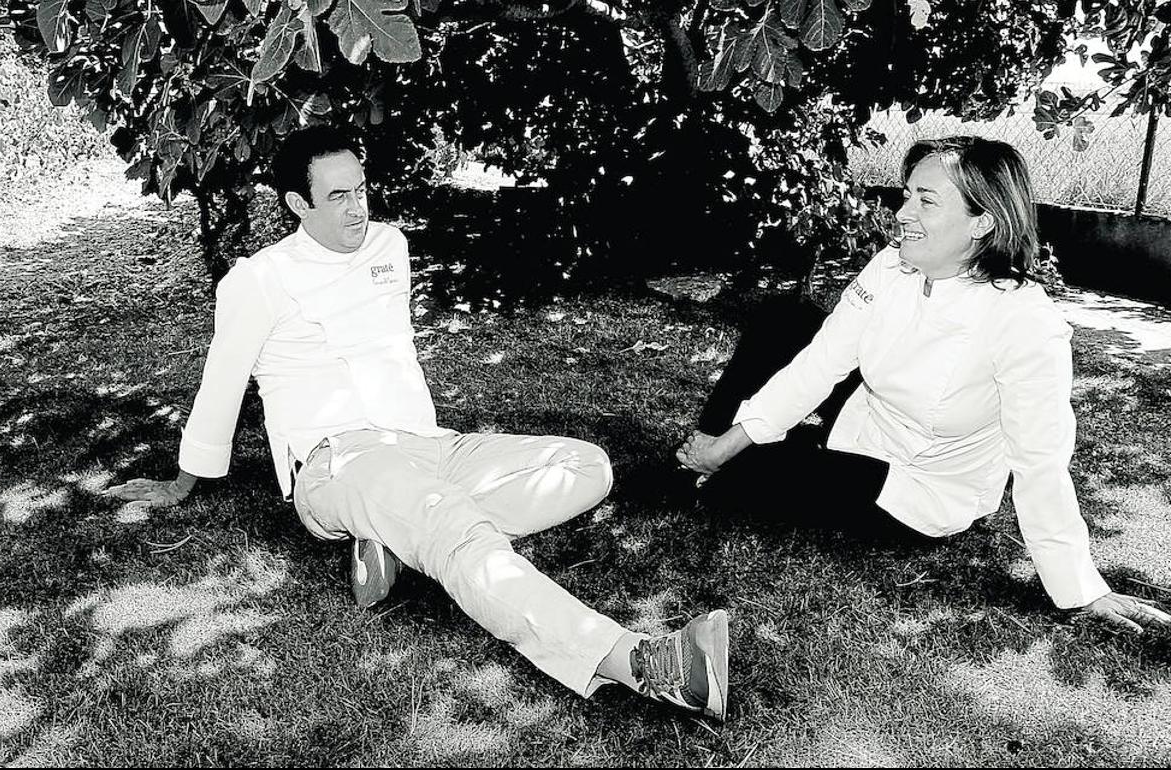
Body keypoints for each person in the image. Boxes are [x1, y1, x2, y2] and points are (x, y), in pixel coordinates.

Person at [106, 126, 730, 720]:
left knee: (587, 467)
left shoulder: (390, 246)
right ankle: (643, 664)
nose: (357, 209)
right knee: (449, 523)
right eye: (337, 196)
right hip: (337, 462)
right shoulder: (257, 280)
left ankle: (401, 547)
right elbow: (220, 385)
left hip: (428, 445)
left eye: (361, 190)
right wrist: (181, 483)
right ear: (298, 204)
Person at [677, 136, 1171, 635]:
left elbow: (1041, 460)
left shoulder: (1024, 321)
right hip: (866, 421)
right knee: (782, 322)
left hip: (919, 485)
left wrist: (1081, 588)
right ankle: (702, 454)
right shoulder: (891, 265)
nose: (902, 213)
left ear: (982, 222)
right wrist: (727, 442)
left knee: (754, 473)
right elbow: (819, 365)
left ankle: (717, 466)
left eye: (926, 201)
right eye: (907, 195)